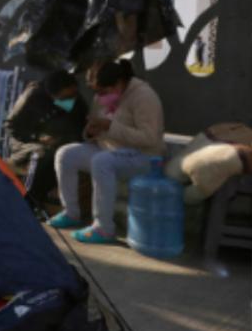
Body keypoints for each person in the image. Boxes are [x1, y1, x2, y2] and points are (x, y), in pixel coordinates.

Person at [48, 60, 165, 243]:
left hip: (144, 157)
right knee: (65, 154)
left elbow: (149, 138)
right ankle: (71, 213)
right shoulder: (101, 98)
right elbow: (97, 131)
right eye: (96, 92)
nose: (99, 97)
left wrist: (110, 127)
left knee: (102, 161)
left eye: (103, 91)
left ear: (119, 83)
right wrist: (91, 131)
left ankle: (103, 228)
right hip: (111, 150)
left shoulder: (144, 96)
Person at [5, 70, 88, 206]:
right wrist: (38, 137)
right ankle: (28, 199)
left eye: (74, 94)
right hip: (26, 141)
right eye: (64, 98)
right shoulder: (33, 96)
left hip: (58, 142)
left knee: (63, 154)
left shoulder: (75, 100)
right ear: (52, 95)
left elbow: (80, 126)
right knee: (40, 154)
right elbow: (12, 127)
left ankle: (44, 197)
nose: (71, 99)